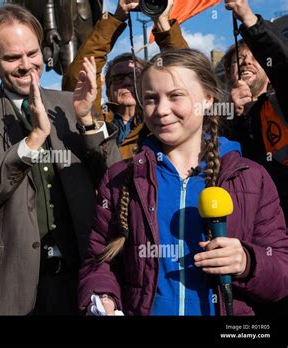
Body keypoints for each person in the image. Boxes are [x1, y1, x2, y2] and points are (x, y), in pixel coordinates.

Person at [78, 48, 288, 316]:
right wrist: (103, 297)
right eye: (151, 98)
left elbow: (282, 273)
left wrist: (248, 261)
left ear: (209, 98)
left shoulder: (251, 177)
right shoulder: (120, 178)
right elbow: (98, 263)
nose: (162, 110)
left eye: (176, 96)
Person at [0, 4, 120, 315]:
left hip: (79, 279)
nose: (27, 65)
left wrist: (87, 122)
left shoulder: (71, 104)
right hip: (8, 286)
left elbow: (112, 178)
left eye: (32, 53)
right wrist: (30, 142)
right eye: (12, 57)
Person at [63, 0, 189, 159]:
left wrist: (162, 22)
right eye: (119, 78)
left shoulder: (157, 123)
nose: (128, 82)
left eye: (134, 76)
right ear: (107, 90)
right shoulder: (96, 119)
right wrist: (116, 18)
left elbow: (187, 76)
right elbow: (79, 75)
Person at [222, 0, 288, 219]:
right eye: (239, 60)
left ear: (269, 75)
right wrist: (231, 115)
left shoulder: (279, 105)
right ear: (228, 73)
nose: (247, 63)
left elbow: (281, 62)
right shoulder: (216, 114)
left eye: (255, 59)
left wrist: (248, 18)